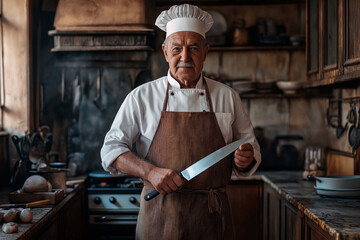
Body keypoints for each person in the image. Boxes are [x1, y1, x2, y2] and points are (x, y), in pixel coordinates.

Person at [101, 4, 261, 240]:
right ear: (165, 51)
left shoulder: (227, 97)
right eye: (177, 49)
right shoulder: (141, 97)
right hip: (160, 218)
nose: (185, 57)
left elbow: (250, 147)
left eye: (193, 48)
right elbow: (111, 150)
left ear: (206, 51)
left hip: (212, 219)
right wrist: (150, 172)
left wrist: (245, 158)